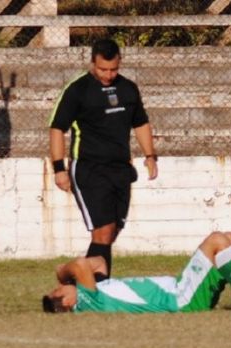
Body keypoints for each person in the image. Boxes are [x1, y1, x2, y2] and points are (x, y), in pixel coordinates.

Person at [48, 38, 158, 279]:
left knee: (112, 231)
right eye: (102, 69)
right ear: (92, 63)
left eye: (113, 69)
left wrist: (150, 156)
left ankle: (76, 279)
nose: (108, 75)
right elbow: (57, 128)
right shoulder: (78, 90)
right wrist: (58, 169)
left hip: (120, 169)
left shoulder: (128, 88)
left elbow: (140, 122)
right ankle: (98, 288)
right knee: (103, 230)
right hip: (89, 169)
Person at [42, 231, 231, 314]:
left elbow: (97, 263)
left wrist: (72, 278)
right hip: (180, 298)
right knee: (217, 239)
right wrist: (62, 273)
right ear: (66, 300)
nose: (61, 285)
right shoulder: (87, 301)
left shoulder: (94, 292)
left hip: (180, 290)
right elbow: (80, 264)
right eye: (58, 289)